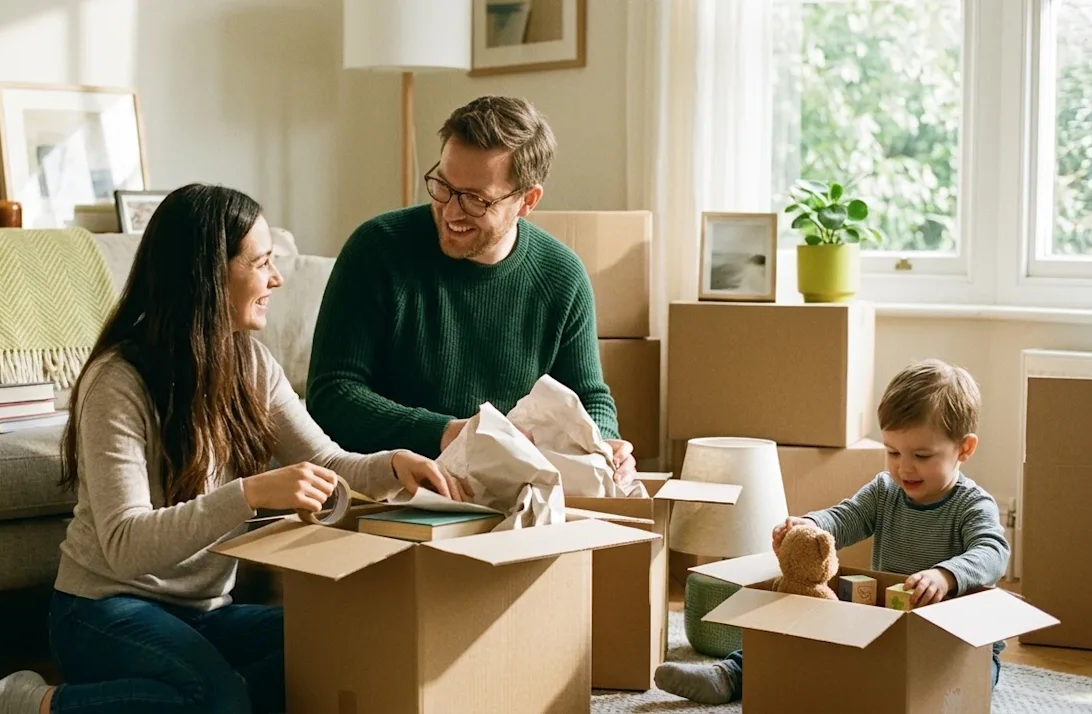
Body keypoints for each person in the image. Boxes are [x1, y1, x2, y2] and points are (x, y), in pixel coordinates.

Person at [0, 184, 459, 714]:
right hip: (104, 609)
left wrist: (395, 464)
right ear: (209, 275)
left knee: (337, 643)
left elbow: (326, 462)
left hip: (205, 612)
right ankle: (21, 703)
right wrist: (248, 493)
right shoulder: (119, 381)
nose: (276, 278)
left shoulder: (251, 363)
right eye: (262, 262)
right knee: (217, 702)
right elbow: (124, 544)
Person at [305, 95, 636, 485]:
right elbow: (331, 395)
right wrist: (446, 433)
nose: (449, 211)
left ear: (527, 200)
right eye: (442, 186)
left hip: (508, 493)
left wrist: (605, 443)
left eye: (475, 199)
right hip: (387, 490)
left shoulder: (561, 275)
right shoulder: (377, 249)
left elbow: (587, 396)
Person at [654, 358, 1011, 704]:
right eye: (893, 452)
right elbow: (847, 517)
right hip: (883, 626)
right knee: (803, 624)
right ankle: (731, 674)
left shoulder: (972, 505)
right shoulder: (886, 491)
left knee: (957, 685)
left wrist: (946, 575)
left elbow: (993, 552)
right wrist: (810, 525)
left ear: (964, 448)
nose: (904, 468)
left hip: (956, 643)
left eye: (921, 455)